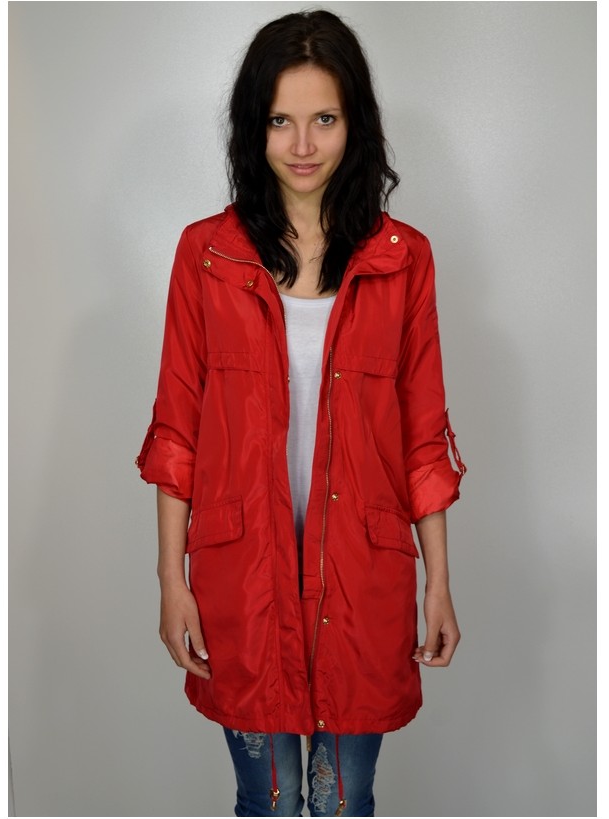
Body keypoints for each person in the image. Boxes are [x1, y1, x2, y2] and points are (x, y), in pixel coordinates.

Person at [136, 9, 466, 817]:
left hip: (363, 575)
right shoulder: (206, 257)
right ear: (255, 127)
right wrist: (171, 579)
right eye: (281, 120)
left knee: (344, 800)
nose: (303, 144)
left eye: (325, 119)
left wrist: (439, 582)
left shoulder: (403, 261)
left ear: (356, 123)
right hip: (242, 578)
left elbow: (423, 437)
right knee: (271, 800)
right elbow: (176, 430)